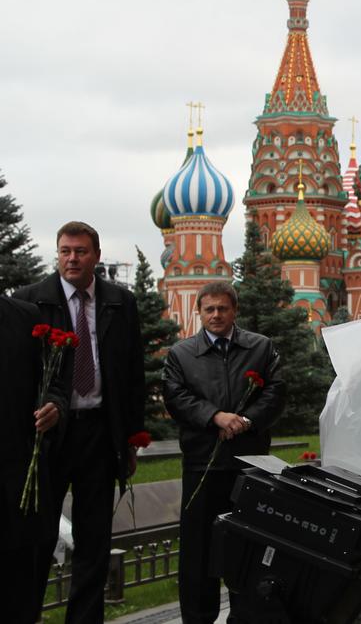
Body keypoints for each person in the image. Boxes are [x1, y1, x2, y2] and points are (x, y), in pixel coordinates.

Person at [13, 221, 144, 624]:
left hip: (100, 435)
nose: (72, 258)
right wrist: (37, 412)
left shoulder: (120, 302)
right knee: (37, 538)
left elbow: (132, 372)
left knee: (94, 541)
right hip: (49, 439)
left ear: (96, 257)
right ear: (58, 254)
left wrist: (132, 438)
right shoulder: (30, 301)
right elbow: (16, 375)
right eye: (65, 251)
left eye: (81, 251)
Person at [163, 280, 285, 624]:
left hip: (249, 466)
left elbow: (275, 392)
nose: (216, 315)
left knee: (248, 550)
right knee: (198, 554)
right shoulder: (182, 354)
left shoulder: (261, 348)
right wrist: (214, 416)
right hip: (204, 465)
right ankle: (198, 619)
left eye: (223, 308)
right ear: (198, 312)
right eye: (209, 309)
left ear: (235, 311)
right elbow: (176, 396)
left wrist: (246, 420)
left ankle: (246, 618)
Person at [1, 295, 65, 624]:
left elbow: (51, 382)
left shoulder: (24, 316)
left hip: (16, 485)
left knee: (18, 596)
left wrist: (54, 405)